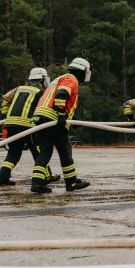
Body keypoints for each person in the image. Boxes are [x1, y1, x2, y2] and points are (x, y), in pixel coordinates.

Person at [29, 58, 92, 194]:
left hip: (41, 117)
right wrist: (62, 114)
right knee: (65, 150)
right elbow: (62, 94)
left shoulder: (58, 79)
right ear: (83, 71)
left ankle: (38, 183)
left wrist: (72, 119)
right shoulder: (71, 79)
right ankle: (71, 182)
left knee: (46, 151)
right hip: (53, 118)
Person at [0, 68, 56, 186]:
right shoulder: (41, 91)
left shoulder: (18, 89)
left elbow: (4, 99)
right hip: (29, 125)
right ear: (43, 79)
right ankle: (46, 176)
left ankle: (2, 178)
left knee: (13, 152)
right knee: (38, 152)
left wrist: (5, 114)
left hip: (12, 124)